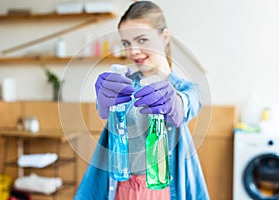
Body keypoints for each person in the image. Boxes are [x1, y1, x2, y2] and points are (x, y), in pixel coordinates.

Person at [74, 1, 209, 199]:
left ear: (164, 37)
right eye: (126, 43)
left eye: (142, 40)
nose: (133, 51)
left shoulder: (185, 89)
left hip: (161, 192)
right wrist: (103, 101)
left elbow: (189, 103)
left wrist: (175, 105)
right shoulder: (124, 85)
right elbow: (104, 110)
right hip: (121, 190)